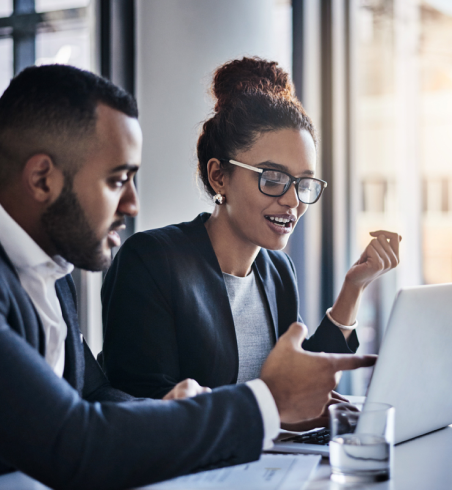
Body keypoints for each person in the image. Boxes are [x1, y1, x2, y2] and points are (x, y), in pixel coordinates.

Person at [0, 64, 376, 490]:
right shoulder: (149, 261)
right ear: (41, 179)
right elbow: (76, 440)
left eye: (303, 182)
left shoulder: (52, 272)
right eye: (116, 180)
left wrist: (172, 409)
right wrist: (265, 402)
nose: (132, 204)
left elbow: (93, 394)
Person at [99, 58, 401, 429]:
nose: (293, 201)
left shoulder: (277, 270)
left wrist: (354, 287)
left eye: (304, 183)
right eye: (273, 178)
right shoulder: (151, 261)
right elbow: (138, 402)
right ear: (219, 177)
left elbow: (298, 376)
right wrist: (272, 409)